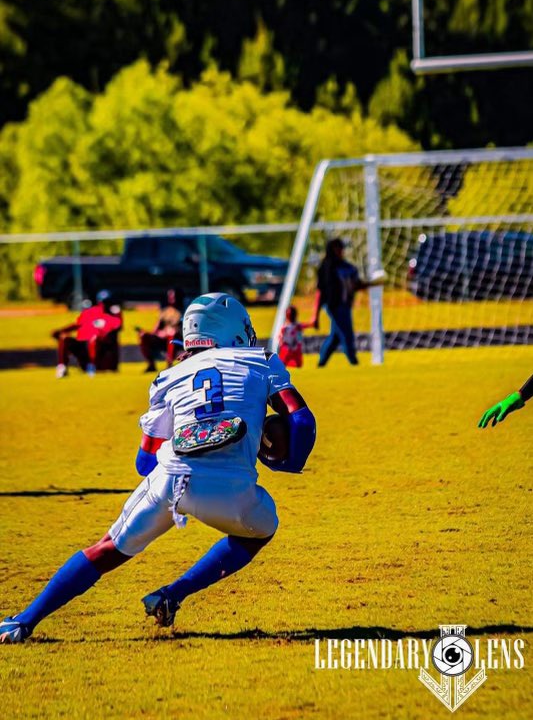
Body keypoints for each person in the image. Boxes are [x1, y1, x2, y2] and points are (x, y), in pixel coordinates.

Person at [0, 293, 316, 643]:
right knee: (261, 527)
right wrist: (287, 461)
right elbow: (300, 420)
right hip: (233, 489)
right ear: (233, 331)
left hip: (172, 480)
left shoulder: (168, 378)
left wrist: (191, 437)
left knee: (106, 549)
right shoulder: (262, 361)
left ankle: (24, 622)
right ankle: (175, 592)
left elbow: (144, 463)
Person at [310, 238, 384, 367]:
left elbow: (356, 285)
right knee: (347, 334)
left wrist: (374, 283)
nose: (340, 251)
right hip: (334, 306)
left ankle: (321, 364)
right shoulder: (326, 267)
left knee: (335, 337)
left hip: (345, 305)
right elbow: (321, 292)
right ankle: (354, 363)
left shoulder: (347, 267)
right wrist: (315, 315)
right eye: (337, 248)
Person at [52, 290, 123, 378]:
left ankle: (92, 366)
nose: (105, 305)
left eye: (108, 302)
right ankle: (62, 367)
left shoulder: (114, 316)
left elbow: (117, 327)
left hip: (102, 353)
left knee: (95, 338)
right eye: (104, 302)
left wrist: (118, 313)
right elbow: (77, 324)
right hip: (84, 349)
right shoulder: (90, 312)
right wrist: (60, 331)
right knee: (64, 338)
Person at [136, 289, 183, 373]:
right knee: (143, 336)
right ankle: (151, 365)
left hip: (178, 338)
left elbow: (178, 328)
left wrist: (167, 332)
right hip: (163, 338)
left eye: (173, 295)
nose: (171, 297)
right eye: (170, 295)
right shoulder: (164, 311)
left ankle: (169, 364)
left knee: (171, 333)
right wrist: (149, 332)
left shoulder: (182, 310)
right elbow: (156, 328)